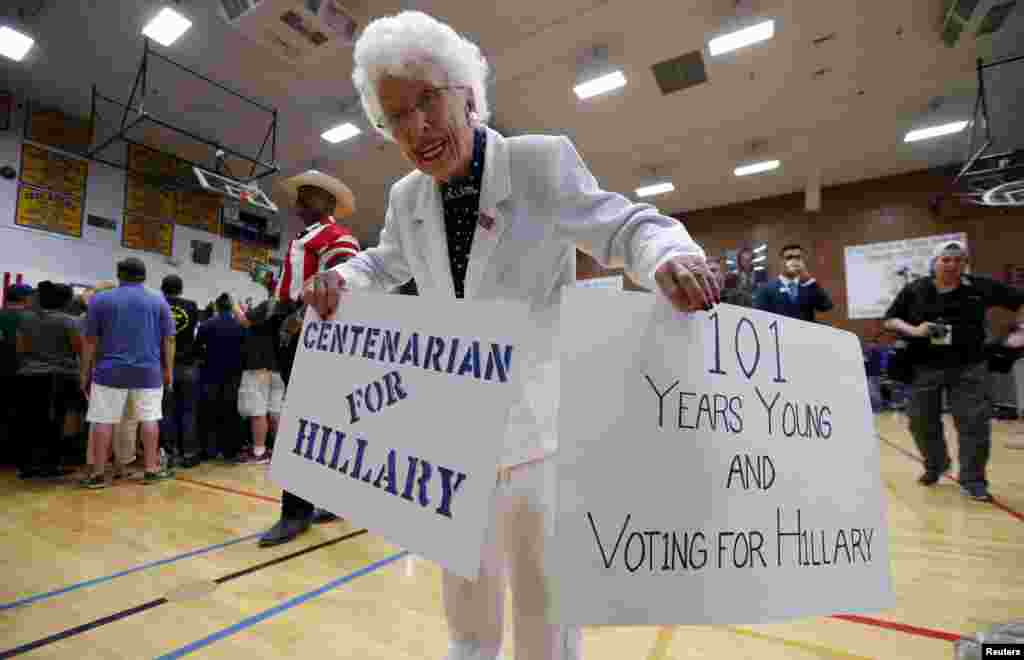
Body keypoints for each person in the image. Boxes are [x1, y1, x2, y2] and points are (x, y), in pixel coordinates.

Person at [303, 12, 718, 659]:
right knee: (466, 611)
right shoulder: (408, 198)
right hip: (453, 431)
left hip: (540, 428)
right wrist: (342, 279)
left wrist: (668, 255)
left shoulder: (536, 163)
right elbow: (386, 261)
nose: (415, 129)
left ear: (465, 91)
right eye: (394, 118)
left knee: (544, 614)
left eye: (426, 102)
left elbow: (625, 226)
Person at [258, 170, 361, 547]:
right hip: (292, 323)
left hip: (309, 329)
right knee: (322, 419)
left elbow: (344, 283)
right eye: (298, 196)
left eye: (306, 196)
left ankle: (295, 513)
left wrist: (301, 319)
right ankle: (332, 499)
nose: (298, 202)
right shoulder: (305, 237)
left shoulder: (336, 236)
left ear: (326, 202)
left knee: (300, 420)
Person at [884, 241, 1024, 501]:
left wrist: (1020, 331)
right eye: (946, 260)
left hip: (970, 366)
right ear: (934, 262)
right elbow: (891, 319)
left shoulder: (980, 286)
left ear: (965, 264)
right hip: (924, 366)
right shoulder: (915, 289)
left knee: (974, 425)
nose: (952, 265)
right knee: (920, 423)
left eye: (959, 260)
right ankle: (936, 464)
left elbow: (1019, 302)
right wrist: (914, 330)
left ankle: (973, 480)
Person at [80, 258, 175, 488]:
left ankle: (98, 474)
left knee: (103, 421)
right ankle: (151, 470)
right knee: (150, 419)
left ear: (119, 275)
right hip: (148, 372)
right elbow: (169, 338)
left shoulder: (100, 299)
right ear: (144, 276)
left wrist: (85, 372)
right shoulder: (158, 300)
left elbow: (90, 340)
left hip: (109, 371)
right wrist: (168, 370)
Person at [14, 281, 80, 478]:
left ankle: (26, 466)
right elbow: (77, 348)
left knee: (29, 419)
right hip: (60, 375)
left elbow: (20, 348)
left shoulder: (24, 319)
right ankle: (51, 464)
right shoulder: (68, 321)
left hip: (28, 374)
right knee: (57, 420)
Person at [194, 293, 246, 461]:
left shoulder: (206, 325)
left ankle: (207, 450)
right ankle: (230, 451)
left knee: (208, 412)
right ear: (231, 307)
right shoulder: (240, 326)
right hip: (233, 375)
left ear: (216, 306)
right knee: (230, 412)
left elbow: (197, 349)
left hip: (210, 373)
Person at [159, 274, 201, 467]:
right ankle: (189, 453)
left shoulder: (158, 304)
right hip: (189, 364)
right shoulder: (192, 306)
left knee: (166, 411)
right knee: (188, 411)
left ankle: (169, 453)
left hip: (165, 364)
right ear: (181, 289)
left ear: (162, 288)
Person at [753, 244, 834, 322]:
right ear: (781, 262)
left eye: (798, 258)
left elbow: (826, 306)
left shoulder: (808, 286)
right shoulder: (766, 289)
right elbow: (760, 318)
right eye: (789, 258)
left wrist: (808, 279)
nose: (794, 261)